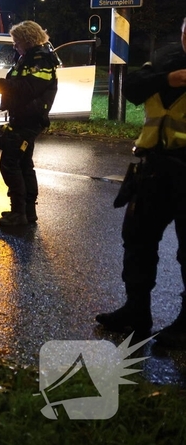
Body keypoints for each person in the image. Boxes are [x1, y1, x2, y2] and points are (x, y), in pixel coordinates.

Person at [96, 17, 186, 346]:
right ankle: (136, 312)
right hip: (154, 170)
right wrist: (170, 78)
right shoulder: (167, 62)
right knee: (137, 243)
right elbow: (133, 87)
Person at [0, 21, 58, 226]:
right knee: (23, 165)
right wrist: (1, 86)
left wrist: (2, 84)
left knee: (10, 164)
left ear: (28, 40)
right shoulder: (29, 57)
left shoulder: (40, 59)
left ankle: (20, 212)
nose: (14, 46)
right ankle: (25, 212)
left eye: (17, 42)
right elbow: (21, 87)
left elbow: (29, 88)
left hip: (29, 119)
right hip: (23, 116)